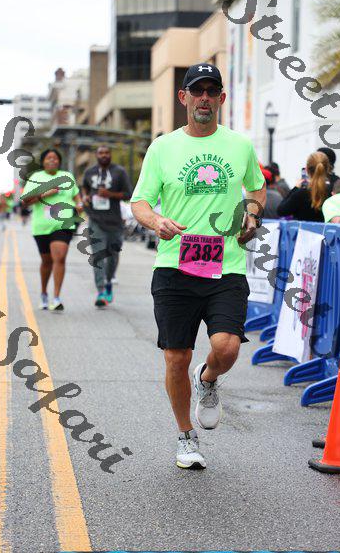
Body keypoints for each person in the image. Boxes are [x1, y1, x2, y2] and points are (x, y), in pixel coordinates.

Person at [131, 62, 266, 469]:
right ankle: (185, 437)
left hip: (227, 265)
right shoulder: (162, 148)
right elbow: (140, 202)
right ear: (183, 97)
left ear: (221, 98)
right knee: (176, 357)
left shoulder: (239, 146)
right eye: (197, 90)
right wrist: (156, 221)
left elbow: (257, 188)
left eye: (211, 91)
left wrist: (252, 213)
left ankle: (208, 379)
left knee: (226, 347)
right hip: (175, 266)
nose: (204, 98)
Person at [21, 149, 82, 311]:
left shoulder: (67, 176)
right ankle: (43, 293)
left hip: (63, 224)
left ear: (59, 161)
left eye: (55, 158)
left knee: (60, 258)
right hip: (42, 226)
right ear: (43, 162)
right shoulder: (36, 177)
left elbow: (76, 196)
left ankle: (56, 297)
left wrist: (80, 204)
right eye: (49, 158)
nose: (52, 160)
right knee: (47, 261)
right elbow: (26, 201)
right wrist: (46, 192)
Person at [82, 146, 133, 307]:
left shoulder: (119, 172)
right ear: (96, 155)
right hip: (95, 220)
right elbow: (84, 188)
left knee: (113, 256)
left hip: (115, 221)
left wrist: (110, 194)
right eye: (100, 153)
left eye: (106, 153)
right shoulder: (90, 172)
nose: (104, 155)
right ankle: (101, 291)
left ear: (110, 155)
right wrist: (85, 197)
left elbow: (128, 194)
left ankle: (109, 281)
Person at [277, 152, 332, 221]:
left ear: (306, 169)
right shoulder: (332, 191)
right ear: (328, 169)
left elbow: (281, 211)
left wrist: (295, 188)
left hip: (302, 228)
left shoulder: (301, 193)